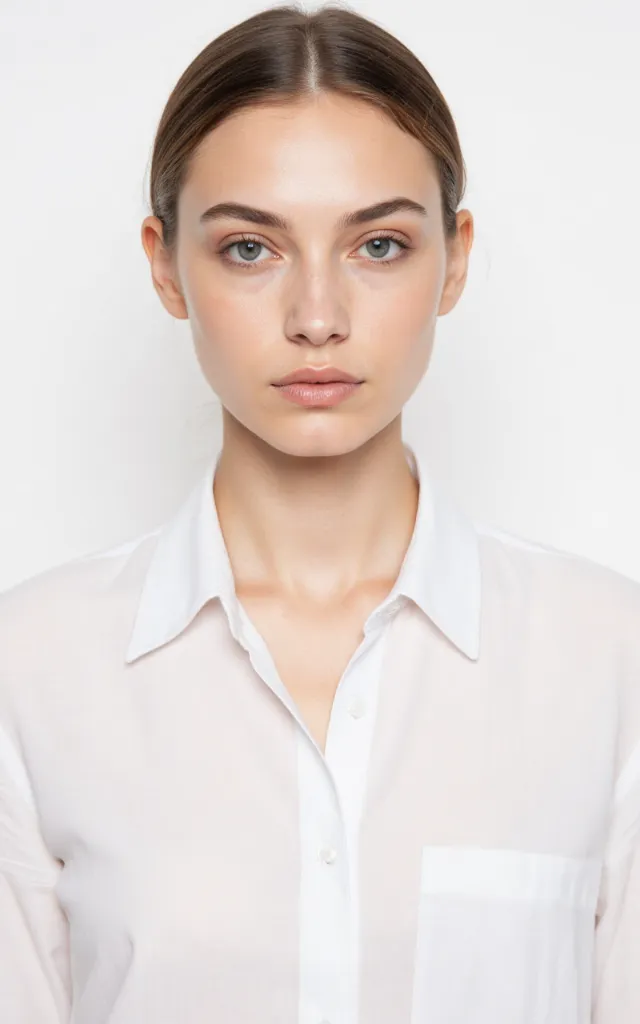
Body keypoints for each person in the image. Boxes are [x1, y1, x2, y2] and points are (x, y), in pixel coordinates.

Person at [0, 3, 638, 1022]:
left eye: (377, 245)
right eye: (249, 248)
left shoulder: (610, 660)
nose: (316, 317)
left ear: (455, 257)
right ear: (165, 264)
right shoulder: (29, 671)